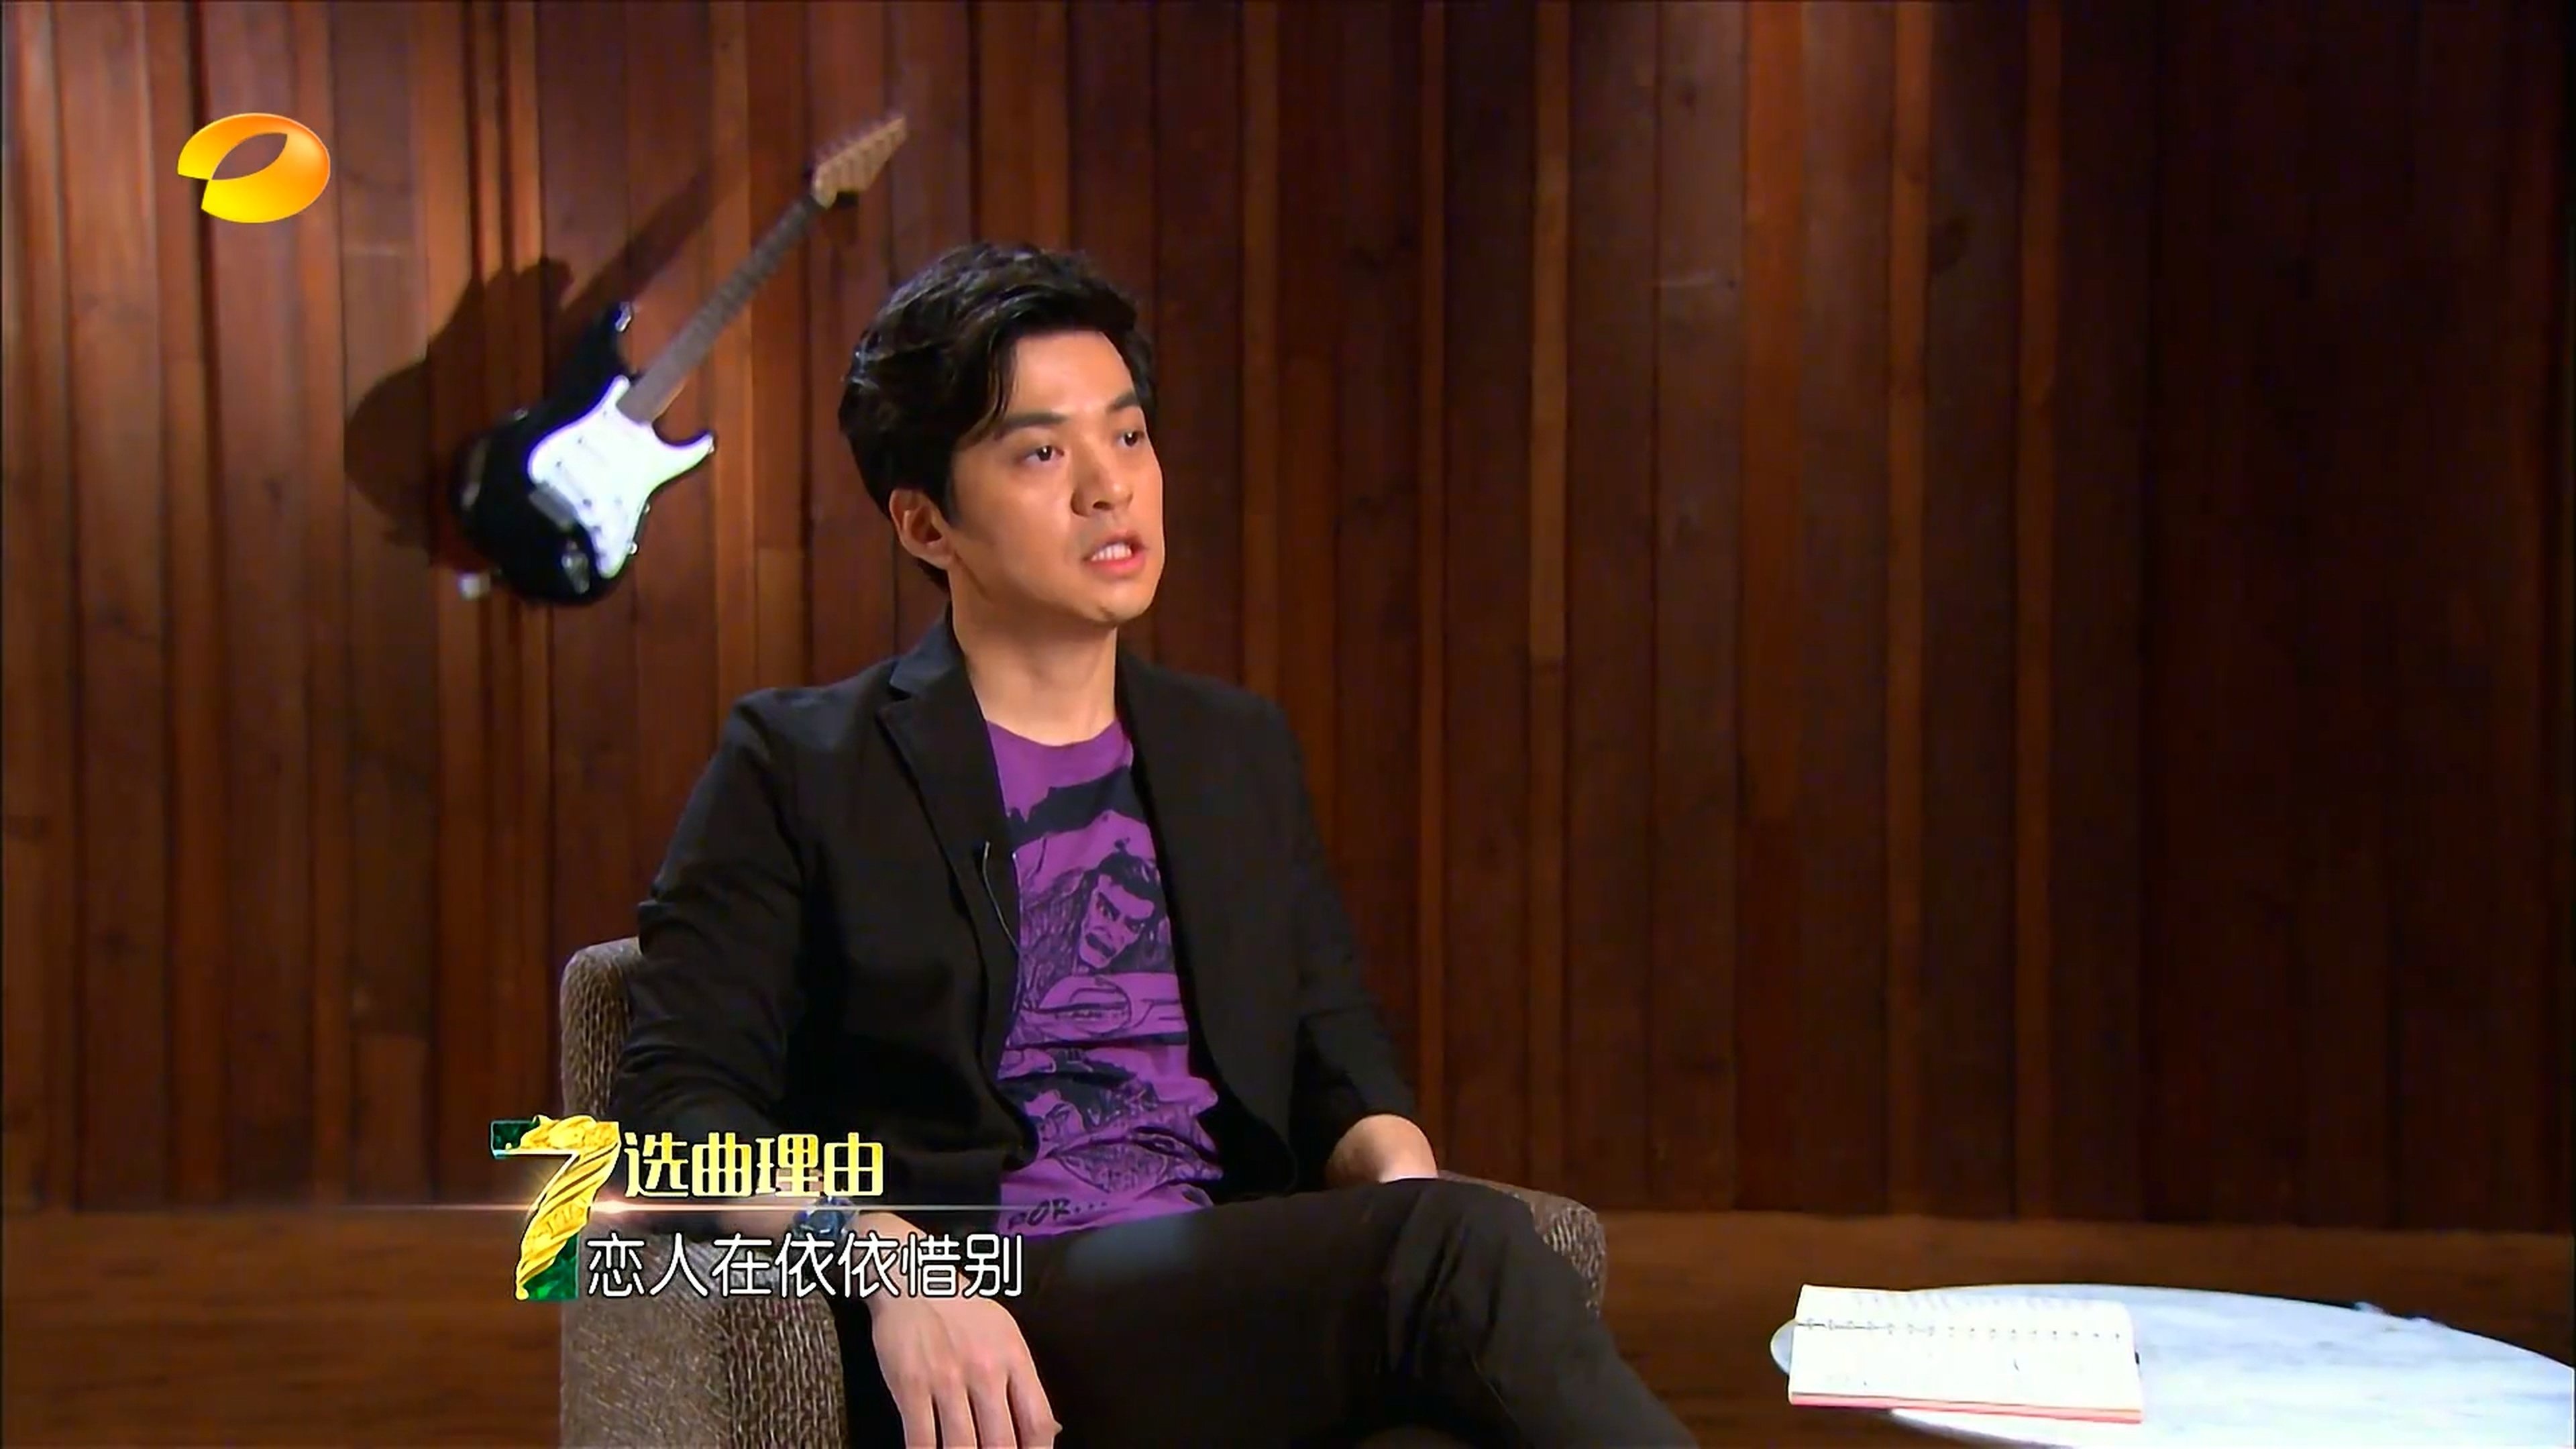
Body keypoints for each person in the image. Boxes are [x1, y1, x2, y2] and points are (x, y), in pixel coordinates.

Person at [609, 241, 1694, 1448]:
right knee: (1459, 1251)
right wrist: (890, 1262)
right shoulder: (801, 764)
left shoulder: (1233, 750)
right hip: (996, 1307)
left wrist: (1397, 1200)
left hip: (1213, 1284)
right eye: (1040, 453)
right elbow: (671, 1118)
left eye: (1127, 436)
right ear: (925, 523)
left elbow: (1336, 1058)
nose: (1109, 489)